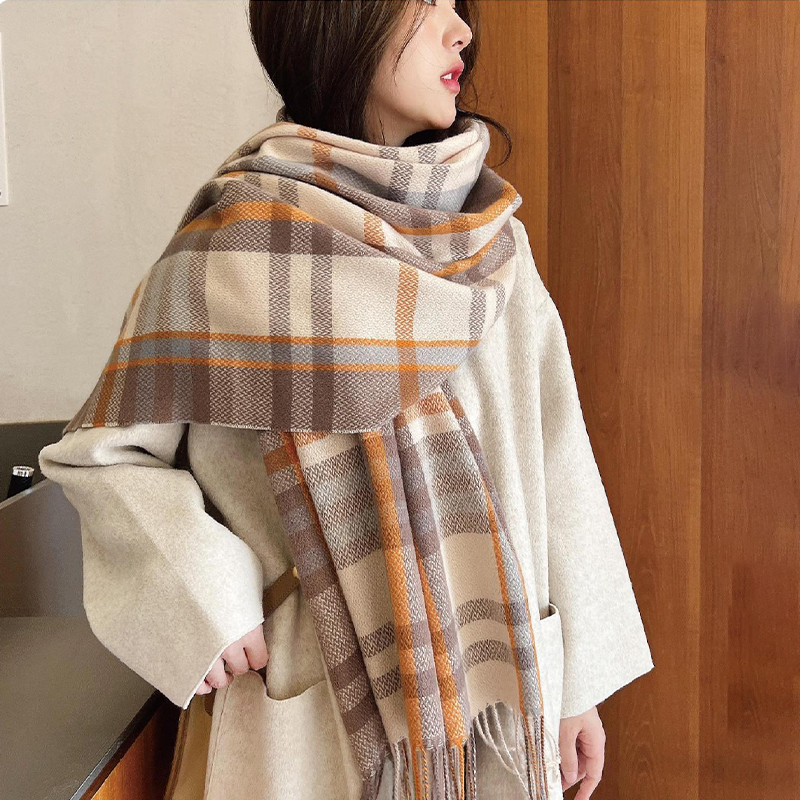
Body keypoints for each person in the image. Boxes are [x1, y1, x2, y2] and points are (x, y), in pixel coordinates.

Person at [38, 2, 654, 799]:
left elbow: (556, 454)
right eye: (427, 5)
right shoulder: (234, 246)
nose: (461, 30)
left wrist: (579, 688)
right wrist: (203, 595)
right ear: (338, 20)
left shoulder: (491, 242)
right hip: (307, 716)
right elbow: (101, 454)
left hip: (495, 694)